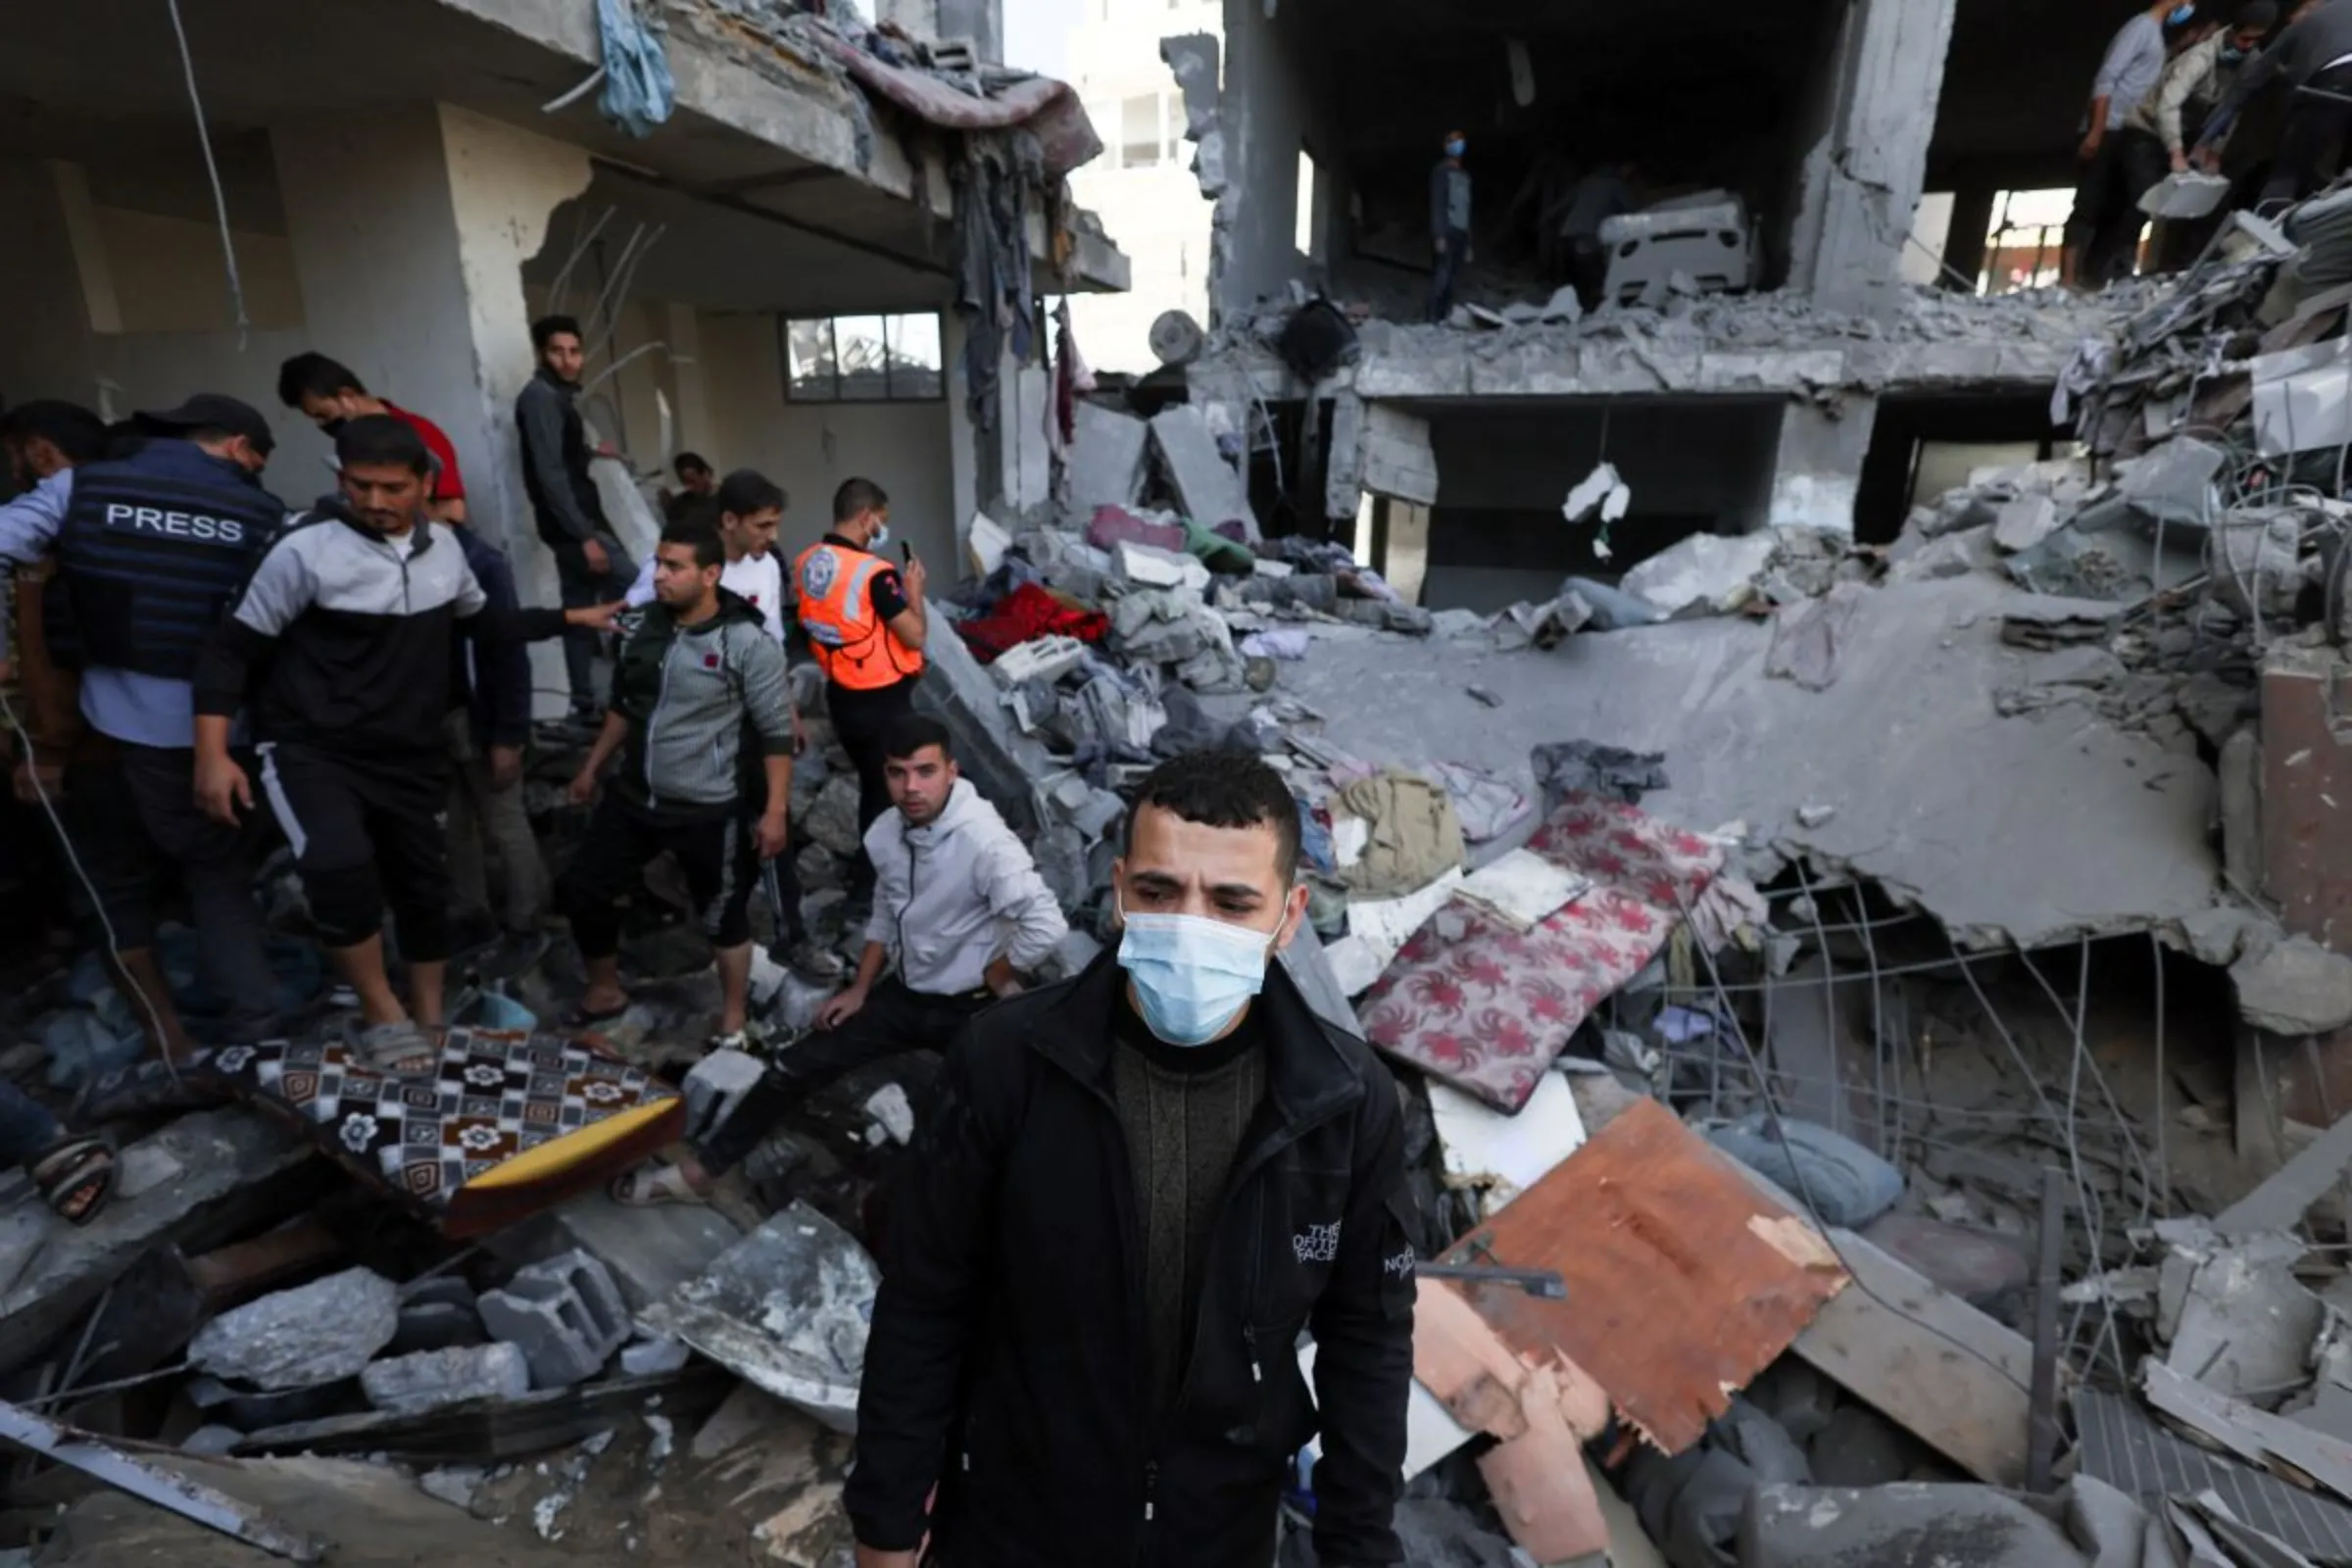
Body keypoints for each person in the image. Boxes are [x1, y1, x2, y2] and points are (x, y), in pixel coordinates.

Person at [846, 748, 1415, 1568]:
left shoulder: (1343, 1101)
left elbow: (1369, 1337)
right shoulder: (1008, 1061)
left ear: (1289, 918)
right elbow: (926, 1299)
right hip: (1015, 1519)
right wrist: (887, 1518)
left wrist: (1358, 1546)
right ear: (1118, 891)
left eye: (1231, 902)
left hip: (1217, 1532)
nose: (1191, 926)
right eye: (1159, 892)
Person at [192, 416, 614, 1069]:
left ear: (425, 485)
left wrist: (572, 618)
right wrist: (212, 755)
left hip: (409, 750)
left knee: (424, 887)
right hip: (312, 747)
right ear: (342, 481)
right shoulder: (303, 550)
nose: (376, 502)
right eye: (360, 486)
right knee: (337, 866)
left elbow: (485, 623)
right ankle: (381, 1011)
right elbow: (228, 652)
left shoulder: (444, 549)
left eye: (393, 488)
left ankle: (428, 1014)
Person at [612, 714, 1066, 1205]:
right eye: (898, 773)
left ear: (951, 771)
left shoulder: (985, 843)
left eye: (925, 771)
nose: (912, 787)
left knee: (986, 1127)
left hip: (974, 1009)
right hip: (906, 993)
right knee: (791, 1068)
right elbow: (888, 909)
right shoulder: (887, 834)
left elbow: (1047, 924)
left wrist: (999, 972)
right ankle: (699, 1174)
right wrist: (860, 988)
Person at [0, 395, 291, 1059]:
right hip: (225, 732)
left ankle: (176, 1044)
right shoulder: (261, 511)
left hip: (109, 735)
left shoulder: (82, 489)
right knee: (215, 875)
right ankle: (257, 1029)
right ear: (236, 447)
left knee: (117, 887)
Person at [559, 519, 797, 1053]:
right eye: (658, 563)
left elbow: (776, 732)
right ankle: (603, 992)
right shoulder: (643, 627)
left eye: (674, 567)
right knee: (583, 888)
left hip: (709, 806)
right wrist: (591, 767)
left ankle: (732, 1017)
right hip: (635, 795)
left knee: (722, 914)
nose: (659, 575)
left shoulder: (746, 641)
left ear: (710, 574)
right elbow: (626, 706)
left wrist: (775, 809)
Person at [795, 478, 926, 907]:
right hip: (881, 701)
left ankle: (869, 880)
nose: (880, 530)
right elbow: (915, 635)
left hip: (842, 696)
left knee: (875, 786)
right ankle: (879, 885)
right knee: (897, 792)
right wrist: (915, 594)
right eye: (880, 522)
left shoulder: (808, 562)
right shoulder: (874, 575)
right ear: (866, 516)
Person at [441, 504, 551, 969]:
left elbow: (506, 651)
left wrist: (508, 733)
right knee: (456, 823)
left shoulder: (479, 564)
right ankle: (473, 916)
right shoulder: (416, 558)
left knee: (504, 820)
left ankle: (528, 924)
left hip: (479, 715)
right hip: (439, 715)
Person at [517, 314, 636, 725]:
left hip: (572, 525)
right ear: (542, 353)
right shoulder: (540, 397)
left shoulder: (556, 397)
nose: (568, 360)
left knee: (580, 611)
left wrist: (592, 453)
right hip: (575, 527)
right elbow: (549, 473)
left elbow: (561, 460)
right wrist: (586, 536)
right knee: (639, 590)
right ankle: (629, 694)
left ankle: (584, 704)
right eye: (557, 351)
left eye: (574, 351)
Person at [2066, 1, 2208, 285]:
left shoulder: (2157, 36)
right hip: (2108, 127)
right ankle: (2067, 279)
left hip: (2126, 132)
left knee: (2118, 206)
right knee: (2088, 204)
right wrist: (2096, 130)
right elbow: (2107, 78)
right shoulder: (2140, 28)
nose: (2188, 7)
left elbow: (2145, 79)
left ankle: (2092, 278)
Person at [276, 353, 467, 522]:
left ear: (347, 396)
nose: (321, 425)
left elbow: (453, 514)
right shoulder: (350, 445)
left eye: (323, 415)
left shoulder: (421, 434)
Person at [2196, 0, 2352, 206]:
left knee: (2288, 171)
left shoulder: (2300, 27)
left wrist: (2206, 138)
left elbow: (2247, 83)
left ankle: (2269, 212)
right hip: (2335, 90)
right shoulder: (2340, 10)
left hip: (2331, 83)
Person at [625, 468, 788, 642]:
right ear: (730, 520)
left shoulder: (768, 565)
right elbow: (633, 615)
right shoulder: (674, 562)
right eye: (763, 526)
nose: (773, 536)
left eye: (775, 526)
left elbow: (773, 633)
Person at [2138, 0, 2280, 182]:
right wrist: (2176, 153)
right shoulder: (2199, 57)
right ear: (2232, 31)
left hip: (2183, 131)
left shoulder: (2248, 63)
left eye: (2255, 40)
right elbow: (2167, 105)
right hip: (2147, 126)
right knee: (2144, 189)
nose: (2248, 46)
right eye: (2245, 39)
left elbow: (2231, 110)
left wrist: (2214, 152)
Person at [1427, 129, 1473, 322]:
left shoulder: (1464, 176)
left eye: (1460, 142)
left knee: (1453, 279)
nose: (1457, 146)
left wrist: (1469, 243)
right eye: (1453, 142)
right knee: (1441, 278)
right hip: (1446, 231)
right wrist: (1439, 234)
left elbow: (1467, 208)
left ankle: (1445, 317)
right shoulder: (1440, 173)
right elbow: (1437, 203)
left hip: (1460, 232)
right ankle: (1432, 318)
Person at [662, 452, 717, 524]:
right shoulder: (680, 503)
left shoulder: (724, 499)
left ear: (705, 474)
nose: (689, 487)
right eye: (684, 482)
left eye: (692, 481)